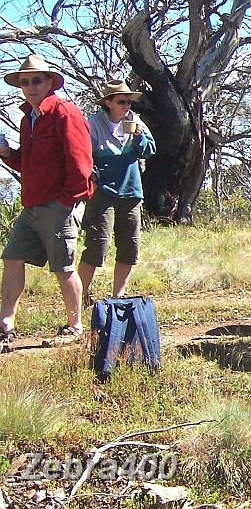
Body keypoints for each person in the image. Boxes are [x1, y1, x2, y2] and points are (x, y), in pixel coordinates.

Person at [0, 55, 94, 352]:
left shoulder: (65, 113)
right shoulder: (27, 117)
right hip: (32, 205)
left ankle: (75, 326)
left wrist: (67, 201)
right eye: (25, 82)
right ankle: (5, 325)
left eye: (37, 80)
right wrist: (6, 154)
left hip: (59, 205)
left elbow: (82, 165)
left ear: (50, 82)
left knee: (62, 266)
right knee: (12, 258)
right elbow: (26, 163)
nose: (30, 86)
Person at [77, 80, 156, 301]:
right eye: (122, 101)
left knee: (130, 246)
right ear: (108, 103)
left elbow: (150, 151)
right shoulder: (92, 124)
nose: (127, 106)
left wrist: (140, 136)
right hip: (103, 193)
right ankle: (80, 294)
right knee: (97, 245)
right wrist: (91, 175)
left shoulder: (135, 121)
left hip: (130, 192)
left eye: (129, 102)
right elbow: (81, 155)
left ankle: (119, 295)